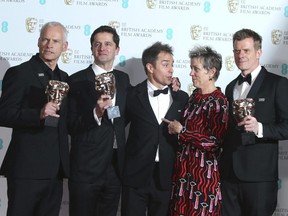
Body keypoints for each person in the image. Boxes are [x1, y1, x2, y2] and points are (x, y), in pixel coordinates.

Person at [0, 21, 70, 216]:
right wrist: (38, 113)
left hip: (55, 171)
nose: (49, 45)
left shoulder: (65, 78)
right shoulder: (20, 73)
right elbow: (4, 113)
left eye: (55, 41)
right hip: (26, 170)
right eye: (45, 39)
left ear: (64, 47)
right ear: (38, 42)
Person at [220, 28, 288, 216]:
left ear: (258, 52)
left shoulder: (278, 84)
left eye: (246, 50)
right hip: (229, 177)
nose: (240, 55)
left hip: (259, 179)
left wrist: (260, 128)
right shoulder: (230, 87)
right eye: (236, 50)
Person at [67, 25, 131, 216]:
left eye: (108, 44)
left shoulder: (123, 79)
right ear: (92, 48)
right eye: (97, 44)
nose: (102, 48)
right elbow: (70, 124)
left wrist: (171, 84)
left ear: (116, 49)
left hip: (115, 168)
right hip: (86, 168)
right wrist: (95, 112)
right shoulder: (76, 81)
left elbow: (137, 105)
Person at [121, 41, 189, 216]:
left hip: (167, 176)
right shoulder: (132, 95)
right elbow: (116, 125)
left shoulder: (181, 97)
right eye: (165, 65)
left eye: (172, 65)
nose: (171, 69)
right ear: (150, 67)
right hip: (135, 175)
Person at [163, 46, 228, 216]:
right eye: (191, 68)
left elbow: (215, 142)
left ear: (211, 72)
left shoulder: (219, 102)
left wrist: (183, 131)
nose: (191, 73)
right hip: (183, 173)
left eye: (196, 69)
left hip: (203, 178)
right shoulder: (194, 97)